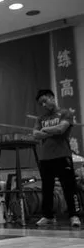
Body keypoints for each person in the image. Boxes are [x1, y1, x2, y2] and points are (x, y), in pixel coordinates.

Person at [32, 89, 81, 227]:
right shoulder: (40, 119)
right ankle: (48, 216)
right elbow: (35, 134)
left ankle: (74, 215)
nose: (43, 105)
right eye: (41, 104)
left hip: (62, 155)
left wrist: (46, 131)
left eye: (44, 101)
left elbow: (61, 129)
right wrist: (51, 131)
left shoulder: (66, 113)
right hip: (45, 158)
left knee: (69, 187)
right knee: (47, 187)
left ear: (52, 98)